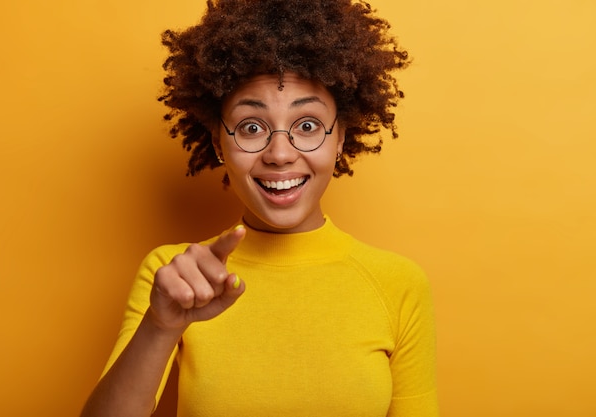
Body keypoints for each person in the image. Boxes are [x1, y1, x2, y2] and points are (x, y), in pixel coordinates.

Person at [80, 0, 438, 416]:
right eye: (252, 127)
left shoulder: (398, 284)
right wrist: (160, 328)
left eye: (307, 125)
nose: (280, 154)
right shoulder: (176, 277)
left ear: (340, 136)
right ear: (219, 143)